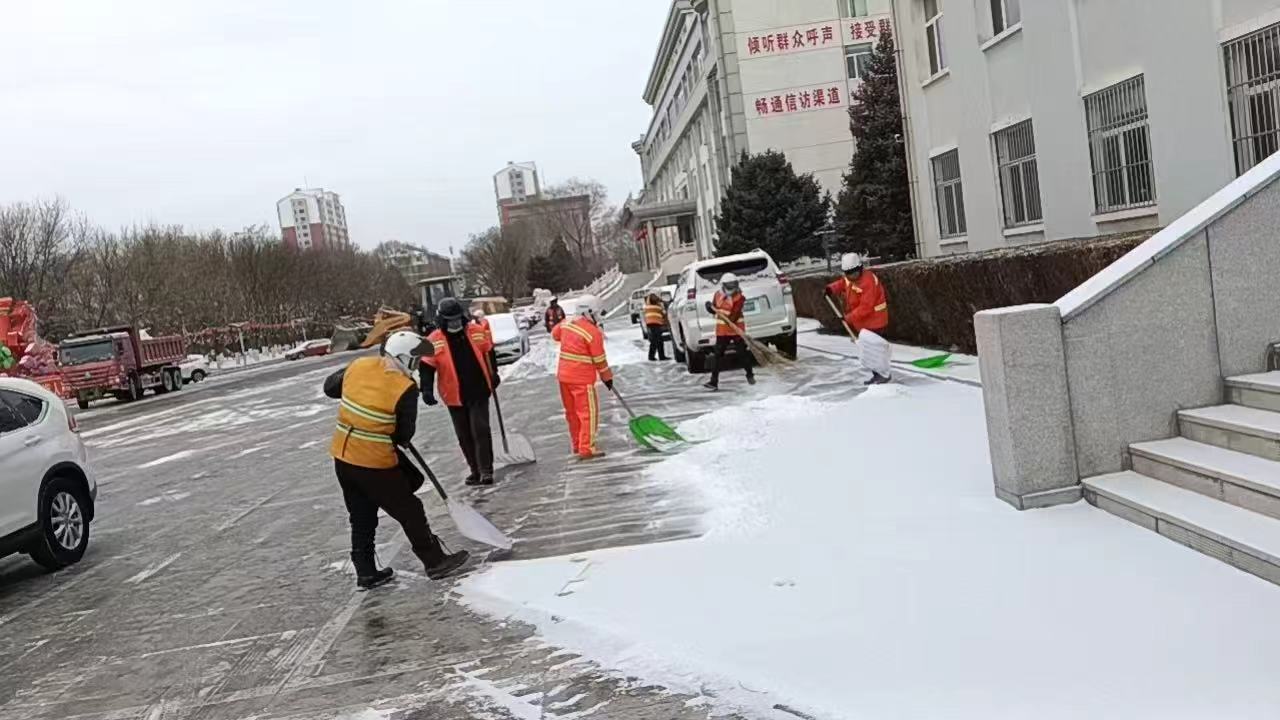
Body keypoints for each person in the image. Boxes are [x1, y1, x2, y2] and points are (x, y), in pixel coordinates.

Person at [324, 330, 469, 588]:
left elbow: (330, 387)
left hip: (343, 457)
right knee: (410, 510)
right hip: (374, 463)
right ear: (404, 358)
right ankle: (434, 560)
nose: (416, 366)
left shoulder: (359, 366)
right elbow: (404, 434)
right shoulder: (405, 388)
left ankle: (365, 570)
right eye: (415, 360)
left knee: (361, 515)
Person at [421, 298, 497, 486]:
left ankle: (486, 470)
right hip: (454, 395)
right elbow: (426, 367)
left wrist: (494, 374)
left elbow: (489, 352)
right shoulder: (433, 340)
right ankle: (475, 470)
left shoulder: (476, 331)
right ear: (442, 320)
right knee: (464, 435)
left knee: (480, 430)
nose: (455, 323)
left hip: (479, 389)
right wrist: (426, 390)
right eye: (450, 320)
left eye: (457, 319)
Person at [550, 295, 613, 459]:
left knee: (572, 413)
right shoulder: (593, 333)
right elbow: (600, 360)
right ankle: (587, 448)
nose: (598, 317)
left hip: (564, 377)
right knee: (588, 414)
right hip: (582, 380)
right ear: (589, 312)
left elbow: (555, 335)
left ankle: (577, 444)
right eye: (597, 313)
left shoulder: (566, 324)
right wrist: (607, 377)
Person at [825, 252, 891, 384]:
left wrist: (848, 318)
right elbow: (842, 283)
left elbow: (866, 307)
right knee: (868, 350)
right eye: (848, 273)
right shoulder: (849, 278)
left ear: (860, 268)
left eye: (854, 273)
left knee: (874, 350)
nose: (851, 276)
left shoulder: (868, 281)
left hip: (875, 321)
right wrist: (831, 289)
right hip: (863, 323)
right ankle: (877, 375)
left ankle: (882, 375)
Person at [703, 272, 755, 390]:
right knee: (717, 355)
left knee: (742, 353)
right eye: (729, 285)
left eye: (733, 285)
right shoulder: (717, 295)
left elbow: (734, 316)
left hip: (737, 330)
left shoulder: (740, 298)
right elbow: (714, 308)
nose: (731, 288)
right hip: (722, 331)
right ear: (723, 285)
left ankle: (750, 375)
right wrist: (709, 307)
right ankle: (713, 381)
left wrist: (728, 318)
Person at [643, 292, 668, 362]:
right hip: (656, 323)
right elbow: (664, 313)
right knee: (659, 340)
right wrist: (662, 302)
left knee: (654, 340)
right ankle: (661, 356)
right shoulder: (658, 306)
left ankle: (651, 356)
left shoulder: (647, 306)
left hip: (650, 324)